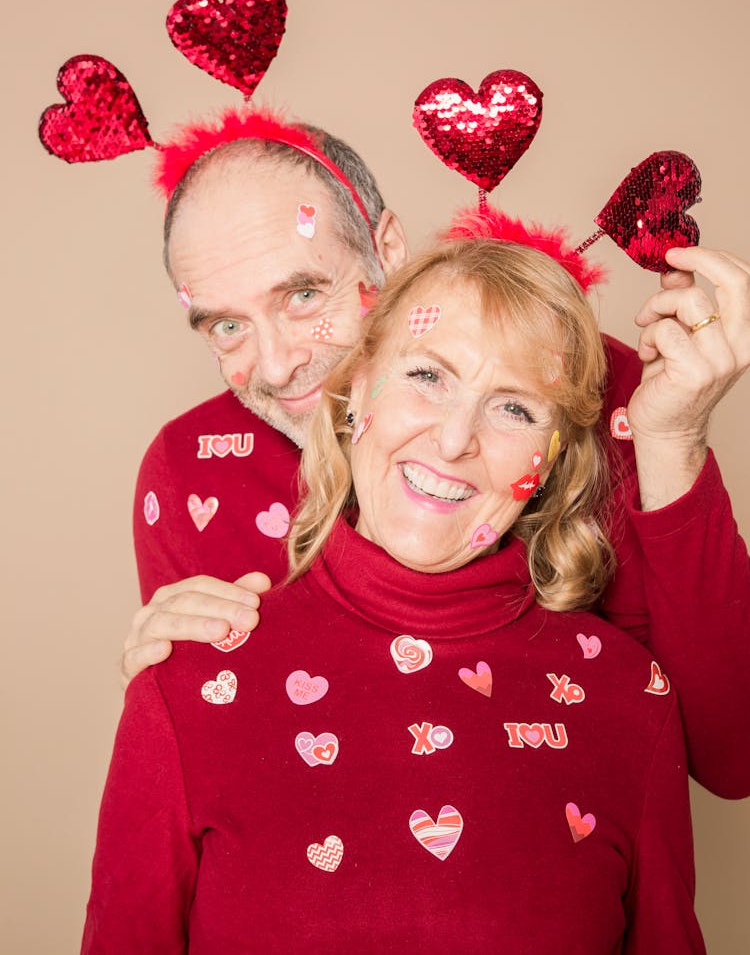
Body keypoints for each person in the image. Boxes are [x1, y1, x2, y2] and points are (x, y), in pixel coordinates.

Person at [83, 235, 705, 953]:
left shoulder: (633, 700)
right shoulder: (185, 685)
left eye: (514, 409)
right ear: (355, 388)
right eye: (428, 376)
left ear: (555, 457)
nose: (451, 440)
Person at [125, 108, 750, 800]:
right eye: (227, 325)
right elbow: (225, 790)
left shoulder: (587, 393)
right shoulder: (192, 472)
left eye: (304, 294)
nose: (276, 367)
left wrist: (674, 442)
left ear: (386, 248)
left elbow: (731, 756)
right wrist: (167, 700)